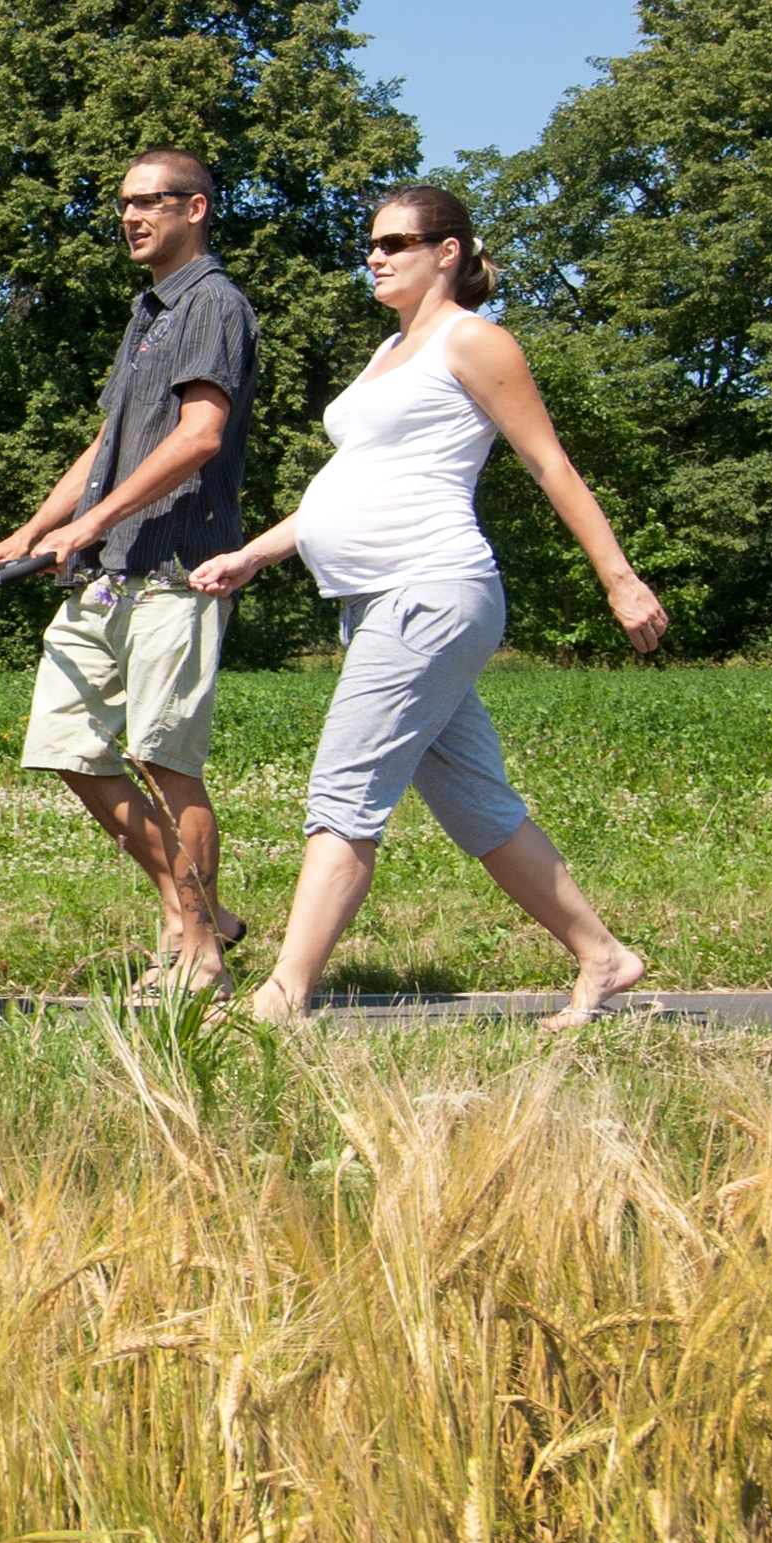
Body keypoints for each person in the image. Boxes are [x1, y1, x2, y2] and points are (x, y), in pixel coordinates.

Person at [187, 181, 668, 1029]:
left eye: (395, 243)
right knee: (477, 804)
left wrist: (619, 579)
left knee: (344, 789)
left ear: (447, 252)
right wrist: (254, 553)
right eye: (371, 244)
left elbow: (550, 464)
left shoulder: (473, 341)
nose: (374, 257)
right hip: (378, 603)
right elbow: (354, 485)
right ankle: (604, 957)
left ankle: (284, 993)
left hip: (432, 591)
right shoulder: (390, 352)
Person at [0, 147, 259, 998]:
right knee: (66, 743)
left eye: (151, 202)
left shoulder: (213, 305)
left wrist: (94, 521)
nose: (132, 217)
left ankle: (199, 955)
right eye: (124, 204)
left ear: (196, 208)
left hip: (179, 566)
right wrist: (27, 534)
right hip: (109, 568)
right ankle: (193, 907)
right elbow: (108, 446)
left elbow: (201, 435)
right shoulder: (149, 313)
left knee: (166, 756)